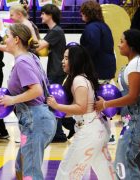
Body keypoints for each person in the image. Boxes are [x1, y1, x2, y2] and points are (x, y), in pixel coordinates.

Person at [0, 23, 56, 179]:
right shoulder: (31, 57)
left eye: (7, 37)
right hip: (40, 119)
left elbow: (36, 90)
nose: (4, 40)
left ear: (16, 39)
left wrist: (11, 100)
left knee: (31, 173)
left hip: (35, 121)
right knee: (21, 167)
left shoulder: (22, 62)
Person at [47, 45, 115, 180]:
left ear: (75, 60)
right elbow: (79, 108)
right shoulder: (81, 78)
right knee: (106, 173)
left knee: (67, 172)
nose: (62, 61)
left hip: (89, 132)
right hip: (95, 129)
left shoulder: (78, 80)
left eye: (66, 58)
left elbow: (81, 108)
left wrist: (57, 106)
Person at [95, 29, 140, 179]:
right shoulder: (135, 64)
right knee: (139, 162)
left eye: (122, 42)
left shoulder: (136, 66)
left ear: (132, 45)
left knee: (124, 160)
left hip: (138, 119)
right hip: (138, 118)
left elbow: (133, 97)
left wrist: (106, 104)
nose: (119, 45)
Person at [80, 0, 117, 144]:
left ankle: (104, 133)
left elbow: (91, 48)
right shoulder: (104, 26)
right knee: (102, 102)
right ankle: (108, 133)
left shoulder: (91, 28)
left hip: (96, 69)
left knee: (95, 103)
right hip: (107, 68)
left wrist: (81, 63)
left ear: (87, 13)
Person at [37, 4, 68, 142]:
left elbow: (38, 46)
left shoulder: (56, 31)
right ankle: (60, 131)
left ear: (50, 15)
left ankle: (60, 132)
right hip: (54, 70)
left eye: (43, 13)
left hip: (56, 71)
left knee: (53, 101)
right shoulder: (54, 31)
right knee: (53, 101)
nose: (41, 16)